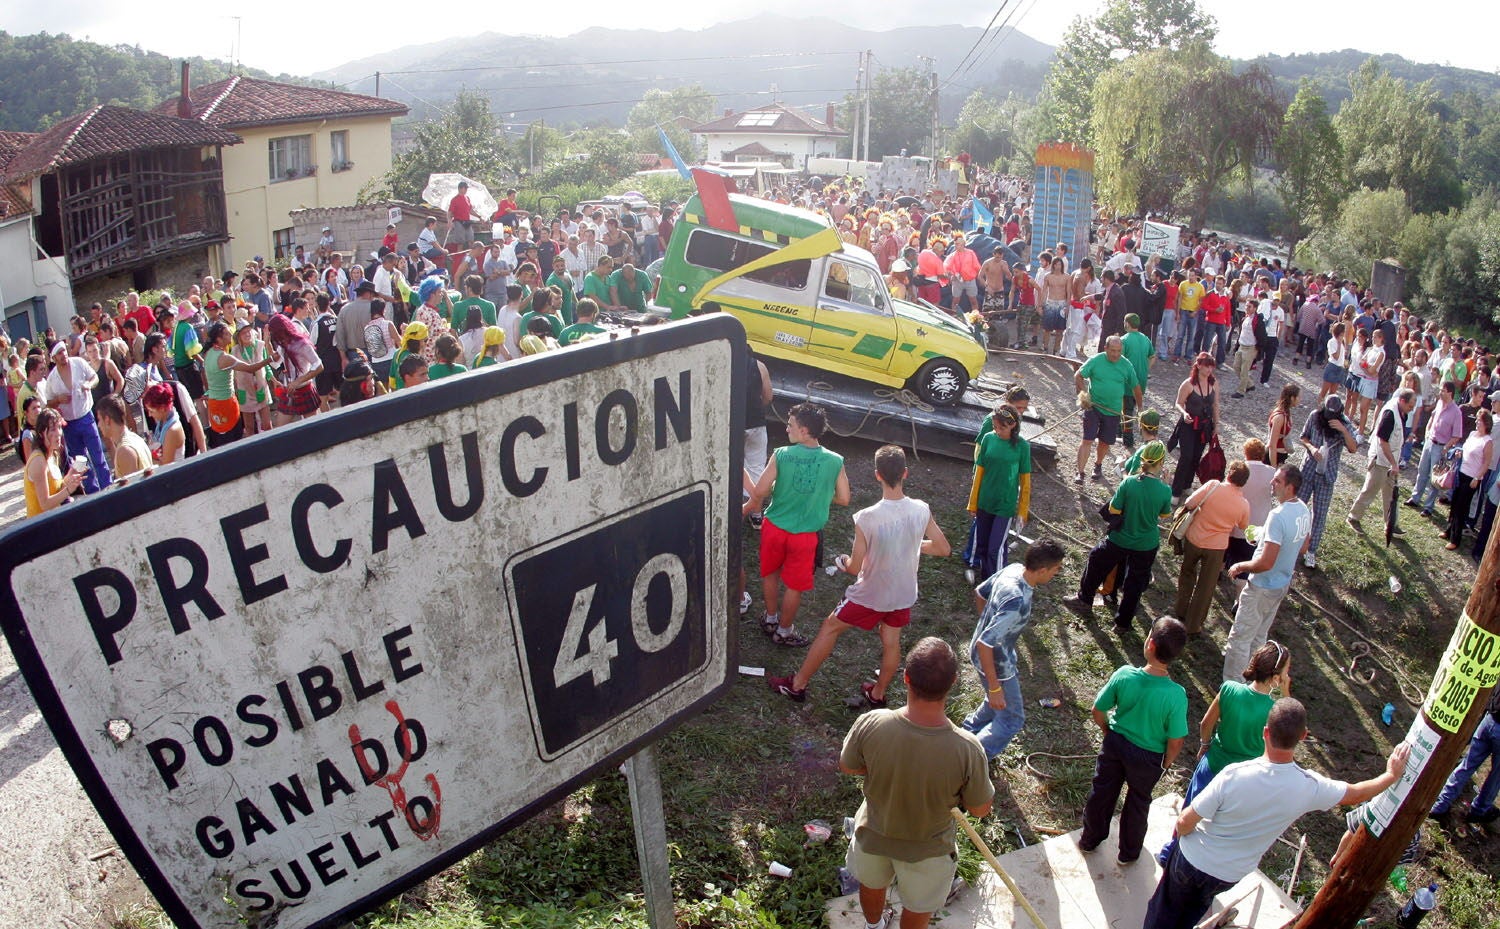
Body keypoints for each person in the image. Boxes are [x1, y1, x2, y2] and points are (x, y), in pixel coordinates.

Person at [1144, 698, 1410, 929]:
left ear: (1265, 732)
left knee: (1162, 913)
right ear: (1303, 736)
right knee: (1190, 912)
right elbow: (1356, 793)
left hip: (1192, 860)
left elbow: (1185, 820)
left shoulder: (1234, 775)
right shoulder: (1309, 787)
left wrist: (1183, 838)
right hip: (1229, 874)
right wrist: (1390, 775)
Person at [768, 445, 950, 706]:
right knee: (891, 642)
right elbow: (943, 548)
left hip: (871, 593)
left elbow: (854, 568)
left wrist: (843, 561)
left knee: (830, 627)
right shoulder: (921, 509)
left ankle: (797, 685)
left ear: (877, 475)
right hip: (903, 593)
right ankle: (877, 693)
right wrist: (907, 543)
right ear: (905, 473)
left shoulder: (867, 517)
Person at [839, 637, 994, 929]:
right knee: (919, 905)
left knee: (871, 884)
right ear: (954, 683)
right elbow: (980, 809)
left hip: (873, 835)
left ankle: (873, 925)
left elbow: (848, 766)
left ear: (906, 678)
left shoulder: (872, 723)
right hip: (929, 850)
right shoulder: (968, 749)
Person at [1156, 642, 1292, 867]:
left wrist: (1205, 744)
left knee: (1191, 808)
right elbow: (1290, 722)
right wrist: (1285, 690)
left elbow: (1205, 723)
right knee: (1219, 823)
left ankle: (1172, 851)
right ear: (1276, 675)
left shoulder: (1229, 689)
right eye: (1287, 669)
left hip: (1213, 763)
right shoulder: (1276, 708)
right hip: (1244, 779)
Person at [1078, 617, 1189, 866]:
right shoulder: (1176, 696)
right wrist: (1166, 763)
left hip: (1116, 744)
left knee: (1103, 792)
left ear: (1149, 644)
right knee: (1138, 803)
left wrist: (1108, 732)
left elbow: (1098, 709)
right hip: (1149, 758)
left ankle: (1089, 840)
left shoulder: (1124, 675)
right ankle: (1128, 854)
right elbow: (1176, 739)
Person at [747, 403, 851, 647]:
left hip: (774, 528)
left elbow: (760, 491)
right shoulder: (835, 460)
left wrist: (775, 488)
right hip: (805, 536)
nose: (786, 429)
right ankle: (784, 631)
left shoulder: (781, 454)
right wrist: (823, 495)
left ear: (804, 431)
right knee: (794, 585)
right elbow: (845, 498)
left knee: (770, 573)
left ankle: (770, 617)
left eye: (790, 425)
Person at [962, 540, 1067, 760]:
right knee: (1012, 718)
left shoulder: (1013, 569)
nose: (1057, 573)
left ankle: (966, 733)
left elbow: (980, 593)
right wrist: (994, 687)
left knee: (996, 705)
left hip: (983, 653)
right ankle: (969, 760)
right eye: (1056, 569)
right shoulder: (1017, 600)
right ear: (1042, 570)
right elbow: (986, 644)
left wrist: (989, 623)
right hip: (997, 663)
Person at [1063, 441, 1174, 633]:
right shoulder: (1165, 490)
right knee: (1135, 583)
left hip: (1121, 537)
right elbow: (1164, 515)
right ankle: (1123, 623)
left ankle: (1084, 599)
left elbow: (1114, 508)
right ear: (1161, 463)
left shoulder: (1129, 482)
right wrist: (1166, 484)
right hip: (1146, 543)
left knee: (1097, 560)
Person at [1223, 465, 1312, 682]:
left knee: (1240, 638)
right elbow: (1303, 547)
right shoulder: (1303, 509)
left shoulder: (1277, 515)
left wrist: (1240, 566)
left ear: (1290, 487)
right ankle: (1254, 675)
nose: (1272, 484)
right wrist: (1265, 537)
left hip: (1262, 585)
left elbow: (1265, 562)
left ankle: (1233, 686)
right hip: (1281, 584)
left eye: (1277, 481)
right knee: (1260, 634)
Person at [1169, 460, 1250, 635]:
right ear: (1243, 482)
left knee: (1187, 573)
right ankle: (1193, 625)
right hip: (1217, 548)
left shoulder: (1213, 485)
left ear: (1229, 474)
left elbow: (1190, 503)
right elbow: (1243, 526)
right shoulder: (1243, 504)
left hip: (1194, 539)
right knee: (1205, 587)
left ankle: (1181, 610)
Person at [967, 406, 1031, 579]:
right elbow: (979, 473)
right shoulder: (988, 439)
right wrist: (973, 503)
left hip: (1005, 504)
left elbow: (1025, 482)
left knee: (995, 547)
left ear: (1012, 425)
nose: (997, 431)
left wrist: (1022, 511)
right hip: (984, 500)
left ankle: (996, 580)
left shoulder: (1022, 446)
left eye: (1001, 428)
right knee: (982, 542)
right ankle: (983, 578)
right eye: (995, 427)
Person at [1296, 395, 1359, 569]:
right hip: (1308, 469)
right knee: (1298, 506)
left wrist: (1344, 431)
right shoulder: (1315, 415)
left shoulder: (1344, 424)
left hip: (1327, 476)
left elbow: (1353, 448)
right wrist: (1312, 448)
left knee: (1319, 514)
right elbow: (1303, 437)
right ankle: (1291, 542)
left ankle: (1311, 551)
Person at [1346, 387, 1416, 536]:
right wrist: (1394, 464)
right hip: (1380, 460)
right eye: (1410, 406)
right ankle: (1353, 517)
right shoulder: (1390, 414)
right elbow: (1383, 442)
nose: (1412, 409)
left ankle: (1391, 524)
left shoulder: (1401, 412)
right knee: (1370, 489)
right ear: (1402, 401)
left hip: (1391, 461)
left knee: (1391, 494)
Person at [43, 340, 111, 493]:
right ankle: (93, 493)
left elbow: (95, 377)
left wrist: (89, 385)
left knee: (98, 456)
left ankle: (108, 488)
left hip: (86, 416)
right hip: (69, 424)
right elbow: (48, 403)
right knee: (81, 462)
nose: (63, 355)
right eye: (59, 353)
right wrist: (58, 400)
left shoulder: (78, 363)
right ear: (53, 358)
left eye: (64, 351)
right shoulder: (52, 379)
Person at [1074, 335, 1143, 484]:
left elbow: (1136, 387)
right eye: (1113, 350)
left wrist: (1141, 408)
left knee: (1105, 442)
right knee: (1087, 439)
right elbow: (1078, 376)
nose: (1116, 354)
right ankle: (1080, 473)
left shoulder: (1126, 365)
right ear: (1105, 348)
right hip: (1093, 407)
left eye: (1119, 351)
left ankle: (1098, 465)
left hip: (1113, 411)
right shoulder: (1096, 361)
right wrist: (1084, 395)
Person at [1428, 689, 1500, 829]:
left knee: (1467, 765)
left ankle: (1440, 804)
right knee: (1496, 777)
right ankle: (1479, 811)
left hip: (1489, 720)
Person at [202, 322, 272, 447]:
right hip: (226, 404)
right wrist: (271, 359)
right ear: (219, 338)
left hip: (214, 403)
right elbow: (250, 368)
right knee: (234, 439)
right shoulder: (225, 357)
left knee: (222, 441)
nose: (230, 335)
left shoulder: (208, 353)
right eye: (227, 333)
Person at [1167, 353, 1220, 503]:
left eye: (1211, 366)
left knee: (1197, 456)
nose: (1209, 369)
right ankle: (1175, 490)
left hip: (1205, 426)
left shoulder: (1214, 383)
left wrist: (1216, 425)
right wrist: (1184, 414)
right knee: (1186, 456)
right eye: (1206, 365)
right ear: (1198, 365)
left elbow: (1216, 405)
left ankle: (1187, 484)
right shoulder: (1188, 384)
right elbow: (1178, 403)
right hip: (1189, 425)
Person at [1444, 409, 1493, 551]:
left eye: (1479, 420)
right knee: (1453, 504)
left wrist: (1477, 478)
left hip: (1472, 477)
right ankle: (1449, 530)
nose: (1477, 422)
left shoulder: (1487, 441)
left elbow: (1486, 462)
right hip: (1461, 473)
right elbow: (1465, 449)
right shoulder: (1472, 434)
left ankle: (1455, 539)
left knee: (1461, 508)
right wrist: (1459, 453)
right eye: (1477, 419)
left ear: (1486, 423)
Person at [24, 408, 85, 516]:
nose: (58, 433)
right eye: (52, 429)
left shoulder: (53, 454)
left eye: (59, 427)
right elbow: (45, 504)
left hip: (53, 519)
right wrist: (68, 490)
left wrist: (71, 475)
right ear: (41, 433)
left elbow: (56, 489)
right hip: (39, 526)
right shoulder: (38, 461)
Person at [93, 394, 150, 481]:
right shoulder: (135, 438)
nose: (98, 425)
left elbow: (131, 491)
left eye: (99, 419)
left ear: (107, 420)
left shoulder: (124, 451)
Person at [1120, 314, 1154, 450]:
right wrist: (1146, 369)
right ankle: (1121, 430)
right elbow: (1152, 356)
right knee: (1133, 405)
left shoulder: (1124, 340)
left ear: (1127, 323)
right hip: (1142, 380)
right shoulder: (1145, 339)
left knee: (1126, 409)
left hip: (1128, 381)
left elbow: (1119, 360)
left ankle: (1128, 440)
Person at [1265, 383, 1301, 469]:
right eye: (1299, 397)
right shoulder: (1280, 417)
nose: (1300, 400)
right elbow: (1272, 445)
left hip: (1281, 455)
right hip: (1274, 457)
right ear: (1292, 398)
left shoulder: (1286, 412)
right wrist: (1274, 469)